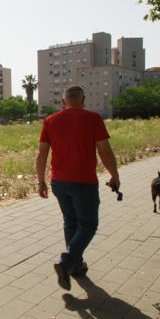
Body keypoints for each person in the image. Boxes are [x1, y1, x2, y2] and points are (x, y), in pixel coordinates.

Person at [36, 85, 120, 290]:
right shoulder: (93, 118)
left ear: (63, 102)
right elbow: (105, 151)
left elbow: (42, 154)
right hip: (84, 183)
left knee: (71, 223)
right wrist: (114, 175)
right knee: (88, 225)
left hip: (59, 182)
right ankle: (66, 261)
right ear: (83, 100)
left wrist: (40, 181)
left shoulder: (50, 121)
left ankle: (75, 266)